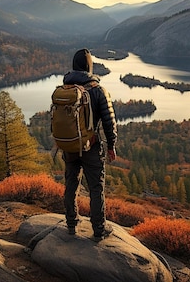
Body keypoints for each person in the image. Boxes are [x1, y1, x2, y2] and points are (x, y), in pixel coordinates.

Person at [62, 48, 117, 241]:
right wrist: (111, 145)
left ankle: (70, 224)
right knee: (96, 188)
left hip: (70, 146)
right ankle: (99, 230)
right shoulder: (97, 90)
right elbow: (109, 121)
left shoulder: (65, 89)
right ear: (89, 66)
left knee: (71, 184)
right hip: (91, 147)